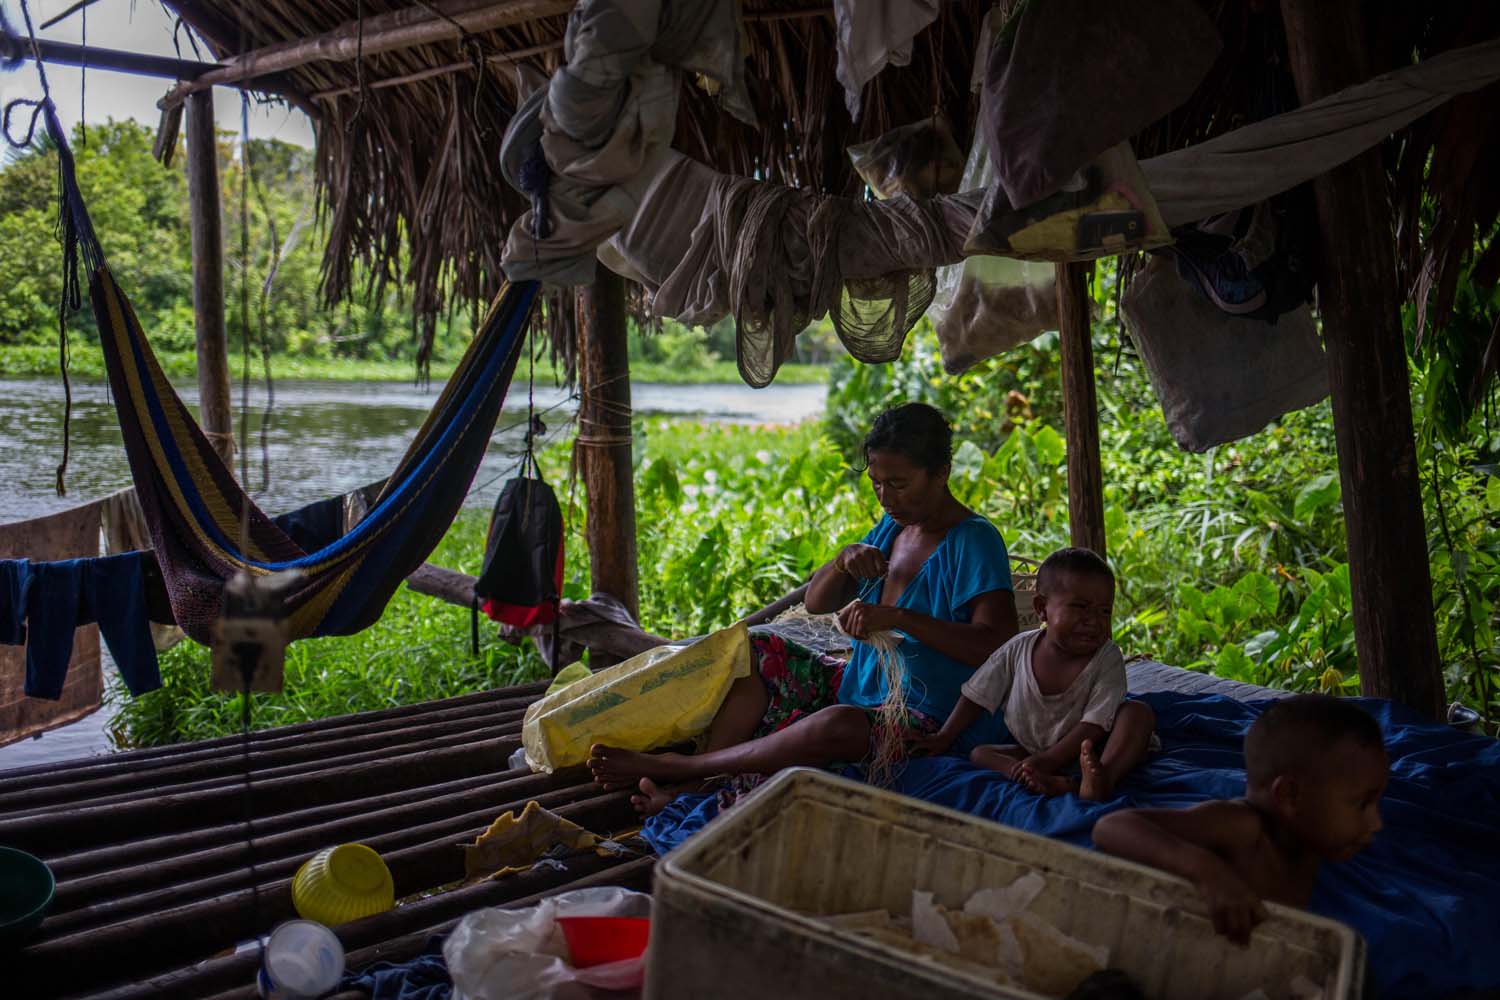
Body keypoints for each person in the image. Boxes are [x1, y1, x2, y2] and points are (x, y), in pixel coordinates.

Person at [588, 402, 1020, 812]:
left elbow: (995, 646)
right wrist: (842, 561)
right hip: (859, 689)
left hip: (929, 717)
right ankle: (708, 775)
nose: (886, 497)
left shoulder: (973, 541)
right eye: (877, 483)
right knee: (760, 648)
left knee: (841, 725)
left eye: (900, 484)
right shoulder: (893, 527)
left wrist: (900, 618)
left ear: (941, 473)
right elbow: (816, 603)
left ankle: (685, 769)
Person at [1091, 694, 1388, 944]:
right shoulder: (1244, 828)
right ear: (1289, 796)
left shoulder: (1308, 841)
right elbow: (1111, 827)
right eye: (1362, 804)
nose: (1377, 823)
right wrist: (1208, 871)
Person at [917, 547, 1156, 801]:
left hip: (1099, 748)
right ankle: (1028, 775)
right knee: (979, 754)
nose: (1094, 621)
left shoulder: (1107, 658)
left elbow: (1095, 726)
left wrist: (1048, 760)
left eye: (1104, 611)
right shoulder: (1017, 649)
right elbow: (976, 694)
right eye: (1081, 607)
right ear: (1042, 608)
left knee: (1137, 714)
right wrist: (945, 736)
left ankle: (1103, 779)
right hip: (1034, 751)